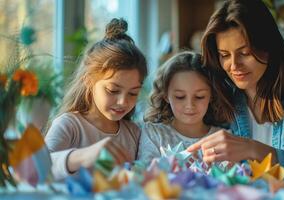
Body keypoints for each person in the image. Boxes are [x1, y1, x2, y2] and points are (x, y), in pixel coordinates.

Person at [187, 0, 284, 178]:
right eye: (224, 55)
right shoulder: (223, 96)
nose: (234, 65)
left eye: (244, 53)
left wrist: (253, 149)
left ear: (268, 47)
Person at [45, 18, 148, 180]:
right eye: (113, 90)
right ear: (88, 80)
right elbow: (37, 169)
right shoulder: (69, 125)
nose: (123, 101)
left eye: (133, 93)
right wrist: (82, 156)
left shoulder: (134, 132)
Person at [137, 51, 234, 165]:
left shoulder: (223, 138)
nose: (190, 105)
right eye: (180, 97)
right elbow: (145, 174)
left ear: (211, 95)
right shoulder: (154, 134)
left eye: (199, 97)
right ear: (166, 96)